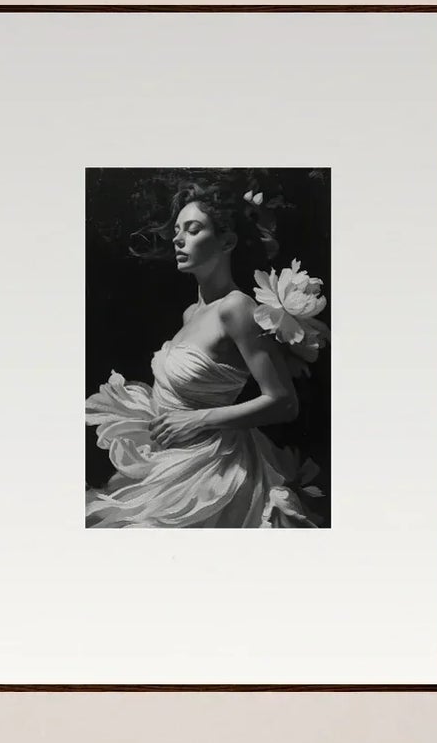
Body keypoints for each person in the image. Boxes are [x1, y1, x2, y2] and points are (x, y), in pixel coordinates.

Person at [86, 179, 328, 529]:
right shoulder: (191, 313)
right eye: (178, 230)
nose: (178, 239)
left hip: (214, 470)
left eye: (193, 229)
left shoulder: (237, 308)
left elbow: (283, 402)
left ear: (227, 241)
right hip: (169, 458)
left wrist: (196, 420)